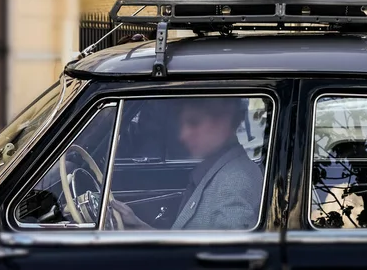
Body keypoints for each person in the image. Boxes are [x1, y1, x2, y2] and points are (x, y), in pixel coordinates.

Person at [111, 98, 263, 230]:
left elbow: (222, 259)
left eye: (194, 123)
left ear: (224, 121)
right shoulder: (220, 169)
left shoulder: (235, 185)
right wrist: (138, 226)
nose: (183, 135)